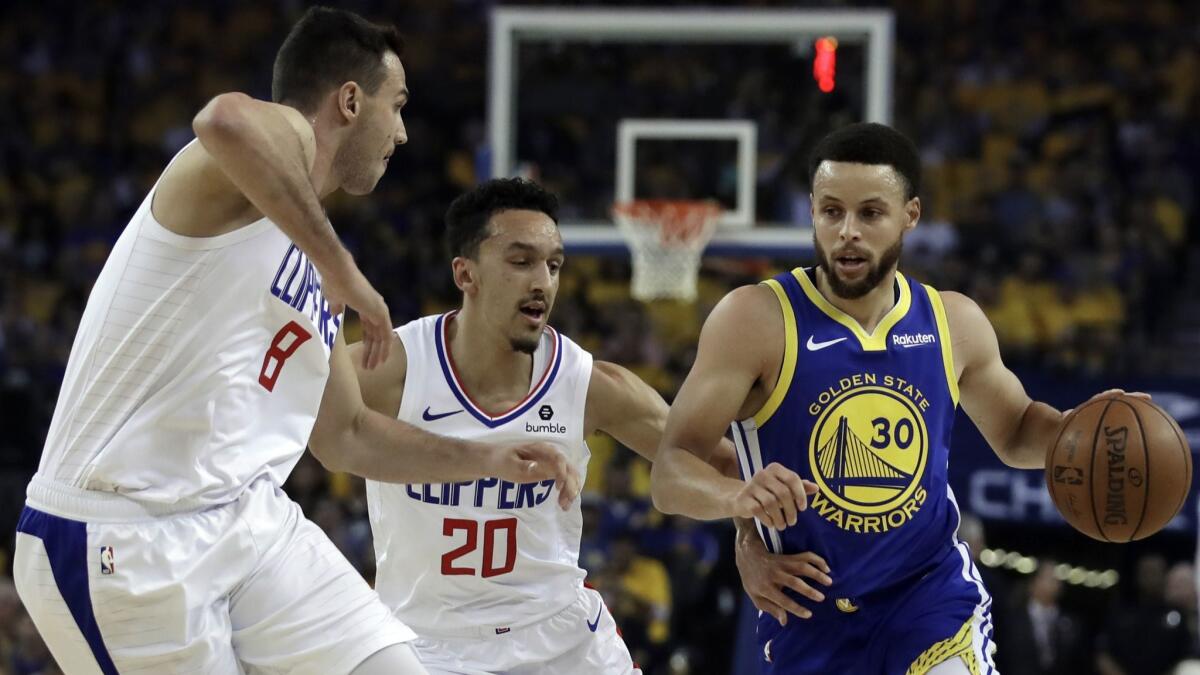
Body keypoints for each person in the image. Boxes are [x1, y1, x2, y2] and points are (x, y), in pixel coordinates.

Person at [12, 8, 577, 675]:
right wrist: (338, 263)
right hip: (124, 535)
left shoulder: (307, 249)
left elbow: (349, 436)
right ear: (348, 99)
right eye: (395, 107)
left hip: (247, 520)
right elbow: (221, 120)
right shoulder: (277, 150)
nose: (401, 131)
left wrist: (487, 457)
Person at [650, 122, 1136, 674]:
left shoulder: (954, 321)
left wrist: (1077, 430)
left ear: (911, 215)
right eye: (832, 212)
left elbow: (1019, 430)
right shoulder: (755, 319)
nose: (847, 232)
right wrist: (738, 499)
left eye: (870, 213)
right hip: (809, 611)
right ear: (811, 210)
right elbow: (671, 473)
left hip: (928, 595)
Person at [350, 177, 771, 674]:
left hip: (559, 639)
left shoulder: (588, 383)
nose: (542, 282)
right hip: (426, 643)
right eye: (521, 260)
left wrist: (750, 533)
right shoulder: (388, 371)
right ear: (466, 274)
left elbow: (716, 463)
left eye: (553, 265)